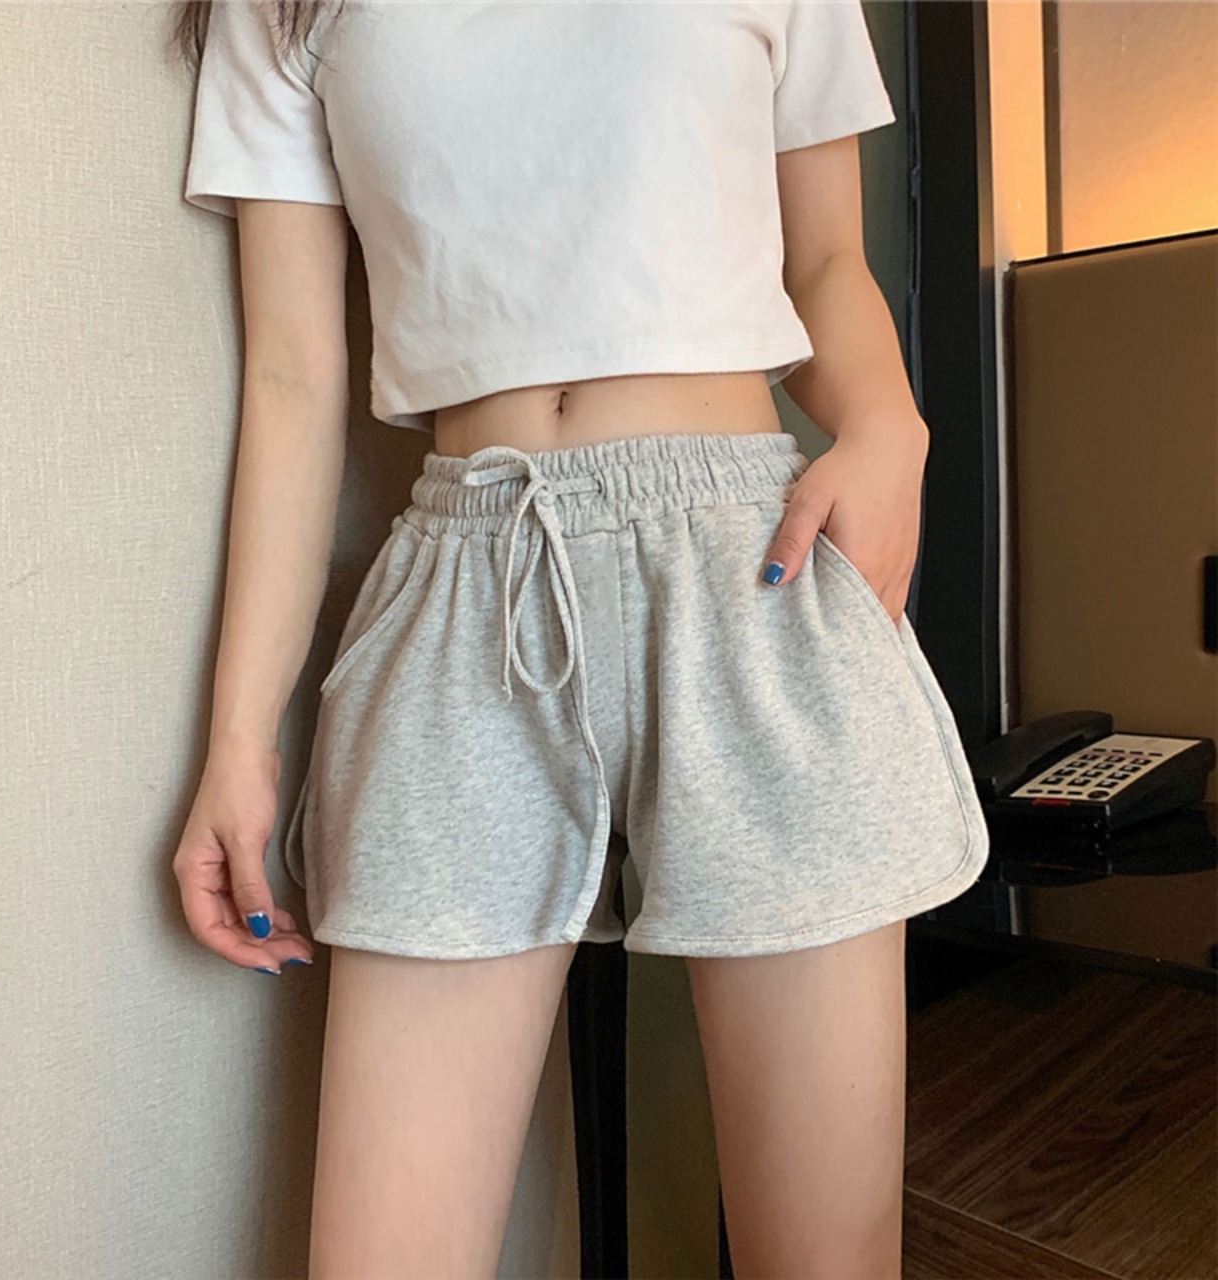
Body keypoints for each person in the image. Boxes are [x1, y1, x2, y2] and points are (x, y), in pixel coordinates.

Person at [170, 2, 992, 1275]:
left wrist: (890, 425)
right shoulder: (280, 8)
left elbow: (825, 257)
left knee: (823, 1254)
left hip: (748, 567)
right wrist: (236, 745)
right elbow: (290, 374)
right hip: (467, 589)